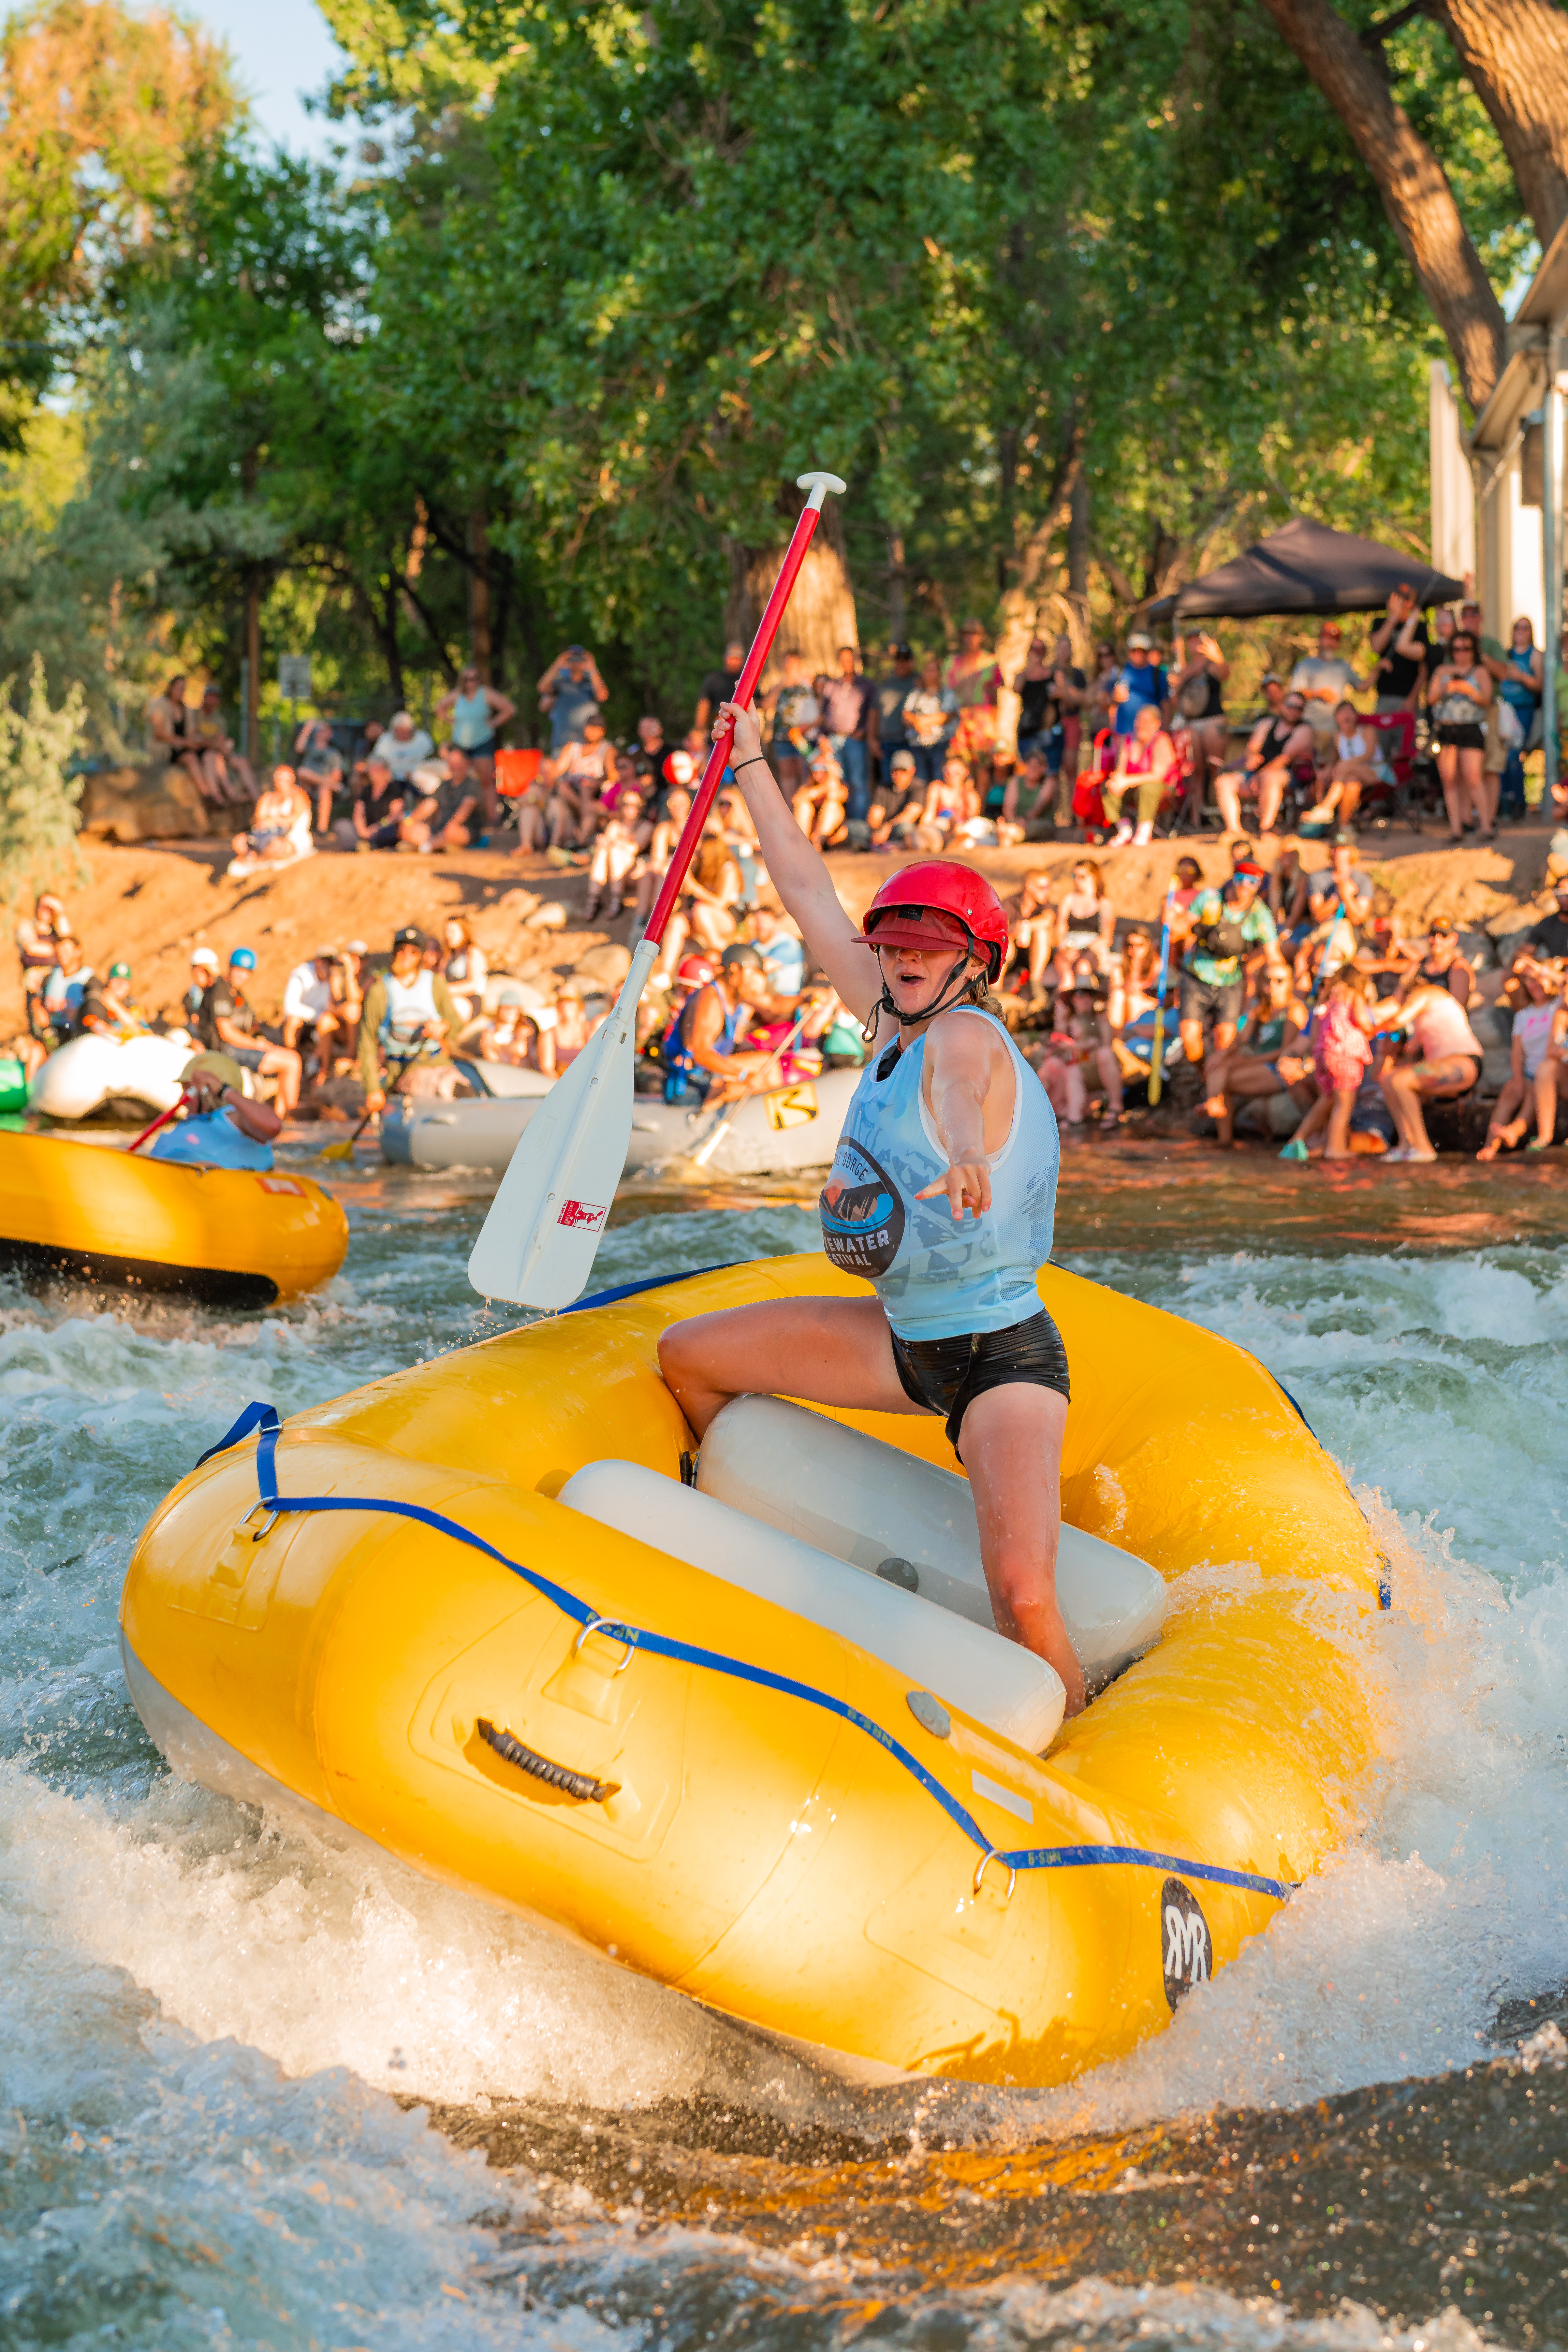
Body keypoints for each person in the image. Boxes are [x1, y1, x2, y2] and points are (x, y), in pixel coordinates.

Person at [660, 702, 1080, 1711]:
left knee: (1022, 1593)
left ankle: (1082, 1747)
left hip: (1001, 1355)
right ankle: (751, 1564)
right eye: (893, 938)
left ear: (973, 960)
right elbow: (803, 881)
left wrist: (969, 1150)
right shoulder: (885, 1017)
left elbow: (958, 1088)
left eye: (927, 942)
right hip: (899, 1339)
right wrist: (748, 758)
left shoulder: (963, 1035)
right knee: (687, 1357)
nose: (901, 952)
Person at [1175, 863, 1286, 1121]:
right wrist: (1173, 920)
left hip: (1230, 981)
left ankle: (1214, 1096)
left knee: (1224, 1044)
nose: (1244, 887)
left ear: (1259, 886)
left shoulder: (1260, 914)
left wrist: (1288, 983)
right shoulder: (1210, 899)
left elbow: (1273, 954)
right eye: (1240, 879)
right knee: (1191, 1041)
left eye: (1252, 882)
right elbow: (1182, 928)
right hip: (1197, 976)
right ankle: (1208, 1079)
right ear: (1232, 879)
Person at [660, 940, 785, 1104]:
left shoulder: (735, 995)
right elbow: (701, 1054)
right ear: (735, 970)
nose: (755, 982)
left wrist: (806, 999)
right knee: (763, 1087)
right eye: (753, 974)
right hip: (691, 1081)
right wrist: (742, 1075)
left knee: (769, 1064)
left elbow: (774, 1004)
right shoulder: (710, 999)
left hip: (709, 1072)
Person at [1207, 962, 1313, 1147]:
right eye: (1268, 980)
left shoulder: (1294, 1009)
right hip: (1259, 1064)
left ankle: (1217, 1115)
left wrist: (1248, 1062)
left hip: (1277, 1069)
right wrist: (1222, 1054)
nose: (1272, 986)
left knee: (1223, 1079)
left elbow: (1286, 1051)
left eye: (1280, 981)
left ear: (1290, 984)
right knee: (1219, 1066)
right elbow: (1242, 1039)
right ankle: (1221, 1131)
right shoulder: (1260, 1008)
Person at [359, 927, 462, 1114]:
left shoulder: (434, 983)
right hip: (401, 1070)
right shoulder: (379, 992)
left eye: (414, 952)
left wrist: (444, 1026)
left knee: (459, 1088)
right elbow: (366, 1042)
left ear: (420, 957)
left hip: (437, 1062)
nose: (407, 956)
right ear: (394, 953)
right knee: (444, 1088)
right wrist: (373, 1089)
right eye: (402, 950)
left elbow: (456, 1025)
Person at [1380, 981, 1485, 1161]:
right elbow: (1411, 1050)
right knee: (1388, 1079)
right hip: (1444, 1065)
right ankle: (1405, 1145)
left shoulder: (1428, 993)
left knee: (1400, 1081)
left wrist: (1369, 1027)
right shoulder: (1425, 1018)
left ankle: (1423, 1148)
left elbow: (1398, 1019)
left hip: (1464, 1062)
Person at [196, 945, 302, 1115]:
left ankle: (280, 1116)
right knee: (292, 1062)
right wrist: (257, 1045)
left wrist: (261, 1039)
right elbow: (226, 1032)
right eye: (238, 970)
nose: (241, 975)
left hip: (236, 1047)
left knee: (290, 1058)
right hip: (224, 1050)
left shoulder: (238, 995)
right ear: (231, 968)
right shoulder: (221, 990)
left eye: (246, 972)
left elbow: (253, 1027)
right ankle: (291, 1113)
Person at [1477, 956, 1564, 1159]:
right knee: (1511, 1091)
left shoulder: (1560, 1004)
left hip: (1555, 1073)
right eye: (1528, 980)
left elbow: (1564, 982)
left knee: (1536, 1087)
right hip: (1529, 1073)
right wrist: (1518, 1078)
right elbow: (1517, 1052)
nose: (1534, 985)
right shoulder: (1523, 1015)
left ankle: (1514, 1131)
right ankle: (1490, 1146)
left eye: (1537, 979)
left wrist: (1538, 968)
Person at [146, 1054, 283, 1171]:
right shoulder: (190, 1125)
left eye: (188, 1091)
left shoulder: (234, 1117)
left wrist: (223, 1090)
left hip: (211, 1185)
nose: (182, 1099)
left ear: (208, 1091)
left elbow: (273, 1125)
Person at [1213, 689, 1316, 837]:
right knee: (1223, 782)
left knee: (1269, 777)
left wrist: (1258, 777)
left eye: (1299, 708)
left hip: (1289, 777)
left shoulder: (1304, 730)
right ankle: (1234, 830)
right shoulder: (1266, 724)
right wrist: (1252, 756)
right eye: (1291, 706)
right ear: (1282, 706)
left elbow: (1284, 759)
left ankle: (1266, 829)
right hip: (1257, 775)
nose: (1294, 711)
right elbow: (1252, 748)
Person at [1426, 630, 1494, 841]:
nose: (1461, 653)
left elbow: (1487, 699)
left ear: (1473, 650)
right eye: (1457, 649)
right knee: (1449, 780)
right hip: (1446, 730)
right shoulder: (1442, 671)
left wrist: (1469, 690)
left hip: (1470, 728)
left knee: (1473, 778)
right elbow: (1430, 699)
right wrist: (1445, 688)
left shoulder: (1480, 671)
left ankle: (1486, 826)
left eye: (1466, 648)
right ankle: (1456, 829)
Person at [1036, 970, 1122, 1133]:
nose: (1085, 999)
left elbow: (1106, 1046)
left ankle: (1115, 1106)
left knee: (1105, 1054)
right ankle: (1074, 1119)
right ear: (1073, 999)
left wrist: (1084, 1046)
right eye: (1080, 994)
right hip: (1077, 1067)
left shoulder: (1100, 1020)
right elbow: (1059, 1045)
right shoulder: (1069, 1021)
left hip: (1097, 1067)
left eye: (1089, 995)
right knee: (1067, 1070)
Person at [436, 665, 517, 818]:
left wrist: (494, 723)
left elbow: (510, 709)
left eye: (474, 679)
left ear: (479, 680)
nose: (470, 682)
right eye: (467, 679)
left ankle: (492, 820)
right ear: (462, 681)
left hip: (482, 742)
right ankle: (449, 817)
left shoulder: (486, 694)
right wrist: (450, 720)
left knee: (486, 782)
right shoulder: (457, 696)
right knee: (454, 779)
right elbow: (439, 707)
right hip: (460, 743)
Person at [1485, 619, 1544, 825]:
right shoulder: (1506, 653)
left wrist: (1520, 676)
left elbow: (1539, 685)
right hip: (1504, 710)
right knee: (1500, 755)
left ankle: (1518, 800)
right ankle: (1504, 801)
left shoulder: (1535, 655)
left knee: (1513, 755)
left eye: (1525, 628)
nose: (1521, 631)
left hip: (1524, 710)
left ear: (1531, 632)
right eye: (1517, 627)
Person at [1101, 703, 1177, 845]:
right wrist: (1118, 782)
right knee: (1109, 786)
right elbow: (1120, 772)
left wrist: (1128, 782)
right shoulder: (1128, 742)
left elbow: (1158, 776)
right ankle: (1124, 830)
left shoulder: (1161, 741)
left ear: (1157, 724)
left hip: (1162, 792)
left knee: (1148, 787)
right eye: (1139, 721)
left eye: (1146, 722)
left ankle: (1144, 831)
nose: (1141, 725)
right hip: (1134, 790)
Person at [820, 645, 877, 834]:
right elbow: (824, 712)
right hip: (834, 740)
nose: (846, 663)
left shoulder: (866, 686)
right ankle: (839, 828)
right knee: (839, 784)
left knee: (858, 782)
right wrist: (823, 736)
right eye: (843, 659)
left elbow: (873, 713)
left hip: (854, 740)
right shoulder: (832, 685)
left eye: (849, 659)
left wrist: (865, 733)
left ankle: (859, 827)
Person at [1170, 628, 1229, 798]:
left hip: (1214, 721)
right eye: (1190, 639)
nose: (1195, 643)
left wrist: (1218, 656)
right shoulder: (1185, 669)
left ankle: (1221, 812)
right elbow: (1177, 701)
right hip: (1192, 723)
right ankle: (1197, 819)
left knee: (1216, 767)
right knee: (1196, 771)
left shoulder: (1213, 665)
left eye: (1198, 639)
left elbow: (1226, 674)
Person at [283, 948, 355, 1083]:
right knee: (294, 1021)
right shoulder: (301, 975)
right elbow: (290, 1007)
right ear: (317, 961)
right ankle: (291, 1061)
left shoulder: (332, 979)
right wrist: (319, 1016)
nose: (327, 967)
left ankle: (321, 1069)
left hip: (319, 1025)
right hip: (304, 1024)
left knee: (327, 1022)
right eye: (325, 962)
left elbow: (332, 1007)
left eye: (330, 964)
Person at [1288, 621, 1364, 743]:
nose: (1330, 643)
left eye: (1335, 639)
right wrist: (1318, 694)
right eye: (1327, 638)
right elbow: (1294, 696)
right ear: (1320, 640)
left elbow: (1362, 687)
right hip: (1309, 728)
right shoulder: (1306, 665)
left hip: (1336, 731)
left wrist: (1378, 669)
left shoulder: (1343, 666)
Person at [944, 620, 1005, 769]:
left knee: (983, 767)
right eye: (967, 634)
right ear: (962, 637)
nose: (971, 638)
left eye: (975, 635)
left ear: (981, 637)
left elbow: (996, 696)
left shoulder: (990, 661)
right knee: (958, 765)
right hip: (958, 718)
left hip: (983, 720)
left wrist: (995, 724)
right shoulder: (951, 662)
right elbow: (945, 693)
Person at [228, 767, 312, 876]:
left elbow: (295, 818)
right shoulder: (267, 797)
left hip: (291, 837)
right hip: (263, 836)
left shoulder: (298, 795)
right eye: (279, 778)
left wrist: (273, 821)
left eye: (286, 779)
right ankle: (256, 855)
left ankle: (257, 859)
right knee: (238, 842)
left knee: (276, 847)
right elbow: (257, 819)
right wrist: (263, 823)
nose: (282, 782)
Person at [584, 788, 652, 920]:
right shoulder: (615, 825)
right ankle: (595, 899)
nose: (630, 809)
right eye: (626, 805)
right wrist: (602, 839)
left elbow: (634, 849)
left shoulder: (646, 826)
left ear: (641, 808)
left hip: (636, 871)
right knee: (603, 850)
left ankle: (615, 898)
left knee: (614, 850)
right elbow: (608, 844)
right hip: (615, 869)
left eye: (635, 805)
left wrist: (613, 841)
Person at [16, 892, 70, 1042]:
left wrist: (60, 912)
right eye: (44, 906)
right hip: (36, 986)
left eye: (50, 908)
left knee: (62, 1027)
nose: (47, 910)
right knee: (41, 1030)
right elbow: (32, 949)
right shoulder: (26, 926)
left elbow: (69, 942)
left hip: (58, 986)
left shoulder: (57, 931)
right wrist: (60, 950)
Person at [764, 653, 821, 798]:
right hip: (782, 737)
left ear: (799, 665)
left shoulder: (808, 685)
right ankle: (790, 810)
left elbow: (818, 709)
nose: (789, 667)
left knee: (804, 772)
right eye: (787, 663)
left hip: (803, 737)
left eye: (793, 664)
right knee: (787, 776)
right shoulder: (779, 686)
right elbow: (766, 706)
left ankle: (802, 809)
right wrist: (782, 685)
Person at [1053, 859, 1116, 982]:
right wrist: (1065, 949)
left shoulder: (1104, 903)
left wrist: (1084, 950)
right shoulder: (1068, 900)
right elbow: (1060, 929)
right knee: (1066, 977)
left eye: (1082, 877)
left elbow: (1107, 938)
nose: (1077, 880)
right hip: (1069, 948)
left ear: (1094, 877)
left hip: (1093, 949)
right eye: (1074, 876)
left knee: (1083, 967)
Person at [191, 685, 256, 804]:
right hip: (203, 753)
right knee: (214, 758)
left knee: (242, 762)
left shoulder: (219, 719)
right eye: (210, 696)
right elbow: (195, 739)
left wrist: (212, 743)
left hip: (219, 751)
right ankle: (223, 794)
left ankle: (257, 800)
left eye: (215, 698)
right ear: (205, 697)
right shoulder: (195, 716)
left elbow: (220, 742)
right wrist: (213, 744)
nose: (212, 700)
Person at [1369, 585, 1429, 714]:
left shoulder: (1419, 628)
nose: (1402, 604)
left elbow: (1424, 667)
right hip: (1384, 696)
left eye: (1406, 600)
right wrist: (1393, 618)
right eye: (1398, 600)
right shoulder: (1380, 623)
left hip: (1408, 697)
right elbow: (1376, 647)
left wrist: (1413, 698)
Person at [902, 653, 960, 784]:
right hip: (918, 745)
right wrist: (917, 723)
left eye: (933, 670)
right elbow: (906, 715)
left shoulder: (947, 693)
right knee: (919, 782)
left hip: (940, 744)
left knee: (938, 779)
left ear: (940, 674)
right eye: (927, 670)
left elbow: (948, 715)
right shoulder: (916, 694)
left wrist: (922, 722)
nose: (930, 674)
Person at [538, 646, 608, 752]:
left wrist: (592, 667)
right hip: (562, 744)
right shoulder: (560, 683)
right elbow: (542, 688)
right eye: (572, 659)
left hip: (587, 746)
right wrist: (558, 664)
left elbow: (603, 696)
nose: (576, 663)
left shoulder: (592, 684)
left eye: (579, 659)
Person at [1401, 912, 1474, 1007]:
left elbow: (1456, 1011)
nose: (1437, 940)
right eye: (1433, 934)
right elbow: (1397, 1000)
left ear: (1454, 939)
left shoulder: (1459, 969)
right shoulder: (1417, 965)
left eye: (1444, 936)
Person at [873, 644, 918, 793]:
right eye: (899, 660)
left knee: (914, 784)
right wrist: (872, 740)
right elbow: (873, 714)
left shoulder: (919, 683)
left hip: (911, 742)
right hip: (887, 742)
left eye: (906, 660)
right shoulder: (885, 685)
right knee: (888, 784)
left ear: (912, 662)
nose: (902, 664)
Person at [1109, 633, 1168, 738]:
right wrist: (1113, 733)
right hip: (1123, 735)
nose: (1138, 654)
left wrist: (1164, 733)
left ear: (1149, 652)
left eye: (1143, 651)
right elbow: (1112, 706)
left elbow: (1166, 706)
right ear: (1128, 651)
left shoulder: (1158, 675)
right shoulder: (1119, 672)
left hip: (1150, 736)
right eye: (1134, 650)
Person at [294, 718, 345, 836]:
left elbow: (337, 775)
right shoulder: (310, 748)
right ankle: (332, 786)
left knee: (325, 789)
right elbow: (299, 747)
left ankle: (322, 831)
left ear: (330, 734)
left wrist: (327, 782)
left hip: (323, 788)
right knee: (302, 771)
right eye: (318, 731)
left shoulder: (334, 753)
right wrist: (308, 727)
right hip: (306, 785)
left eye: (323, 730)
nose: (320, 733)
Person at [40, 938, 95, 1044]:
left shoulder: (89, 980)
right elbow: (37, 999)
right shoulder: (50, 977)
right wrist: (38, 1009)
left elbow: (98, 1005)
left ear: (78, 952)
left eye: (66, 950)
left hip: (78, 1035)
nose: (62, 954)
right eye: (59, 951)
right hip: (53, 1034)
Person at [78, 960, 147, 1040]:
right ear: (108, 982)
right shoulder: (96, 1001)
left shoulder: (130, 1004)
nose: (121, 985)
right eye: (117, 980)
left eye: (125, 981)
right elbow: (97, 1028)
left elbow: (145, 1032)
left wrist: (117, 1008)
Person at [440, 917, 489, 1027]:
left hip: (470, 1000)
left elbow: (472, 985)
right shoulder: (448, 955)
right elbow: (440, 979)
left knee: (451, 1005)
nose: (448, 936)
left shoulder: (473, 952)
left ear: (464, 932)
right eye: (446, 932)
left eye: (452, 932)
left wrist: (445, 991)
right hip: (450, 996)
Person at [695, 640, 747, 735]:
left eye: (738, 659)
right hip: (717, 725)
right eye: (732, 658)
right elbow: (704, 704)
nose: (735, 662)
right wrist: (700, 730)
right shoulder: (714, 679)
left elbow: (758, 703)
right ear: (726, 658)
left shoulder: (746, 680)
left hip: (741, 726)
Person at [371, 711, 436, 783]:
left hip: (417, 778)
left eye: (405, 730)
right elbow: (377, 760)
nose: (402, 734)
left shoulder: (423, 739)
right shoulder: (385, 739)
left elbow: (431, 760)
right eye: (399, 730)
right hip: (389, 778)